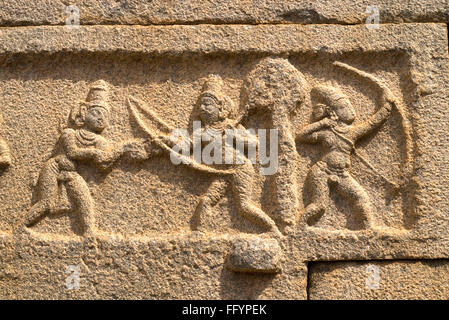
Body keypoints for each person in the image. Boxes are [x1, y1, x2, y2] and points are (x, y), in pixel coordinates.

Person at [21, 80, 145, 236]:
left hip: (70, 172)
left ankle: (89, 233)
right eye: (96, 113)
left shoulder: (99, 141)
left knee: (83, 196)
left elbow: (103, 165)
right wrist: (93, 153)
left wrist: (121, 151)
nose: (101, 118)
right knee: (46, 202)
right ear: (84, 112)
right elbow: (72, 152)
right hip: (54, 169)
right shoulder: (69, 133)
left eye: (105, 115)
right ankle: (21, 229)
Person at [296, 82, 395, 229]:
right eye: (343, 107)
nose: (350, 110)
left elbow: (373, 123)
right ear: (333, 112)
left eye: (348, 105)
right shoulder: (327, 133)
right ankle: (300, 226)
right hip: (322, 172)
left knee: (361, 197)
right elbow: (301, 136)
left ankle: (369, 228)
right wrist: (323, 123)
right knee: (319, 205)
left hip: (342, 174)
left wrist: (387, 106)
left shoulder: (352, 132)